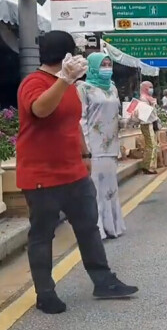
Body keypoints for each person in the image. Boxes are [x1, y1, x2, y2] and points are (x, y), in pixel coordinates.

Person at [16, 31, 138, 315]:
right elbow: (40, 109)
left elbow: (74, 124)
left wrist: (84, 155)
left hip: (74, 173)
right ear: (65, 55)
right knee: (42, 235)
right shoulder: (34, 83)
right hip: (41, 176)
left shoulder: (70, 85)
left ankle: (104, 281)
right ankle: (45, 293)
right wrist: (63, 81)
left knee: (88, 228)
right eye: (75, 52)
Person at [77, 53, 126, 240]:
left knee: (111, 188)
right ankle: (96, 229)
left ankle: (113, 226)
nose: (106, 67)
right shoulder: (83, 88)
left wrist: (130, 120)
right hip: (94, 148)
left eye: (108, 64)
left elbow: (115, 115)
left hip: (111, 146)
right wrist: (85, 150)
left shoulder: (112, 88)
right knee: (95, 189)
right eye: (103, 64)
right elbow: (81, 120)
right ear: (93, 67)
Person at [139, 81, 158, 175]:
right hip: (147, 124)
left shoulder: (148, 98)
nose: (151, 89)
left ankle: (147, 165)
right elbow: (147, 113)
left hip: (149, 123)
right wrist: (153, 105)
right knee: (152, 145)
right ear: (145, 88)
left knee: (150, 145)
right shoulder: (143, 99)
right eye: (149, 87)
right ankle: (149, 167)